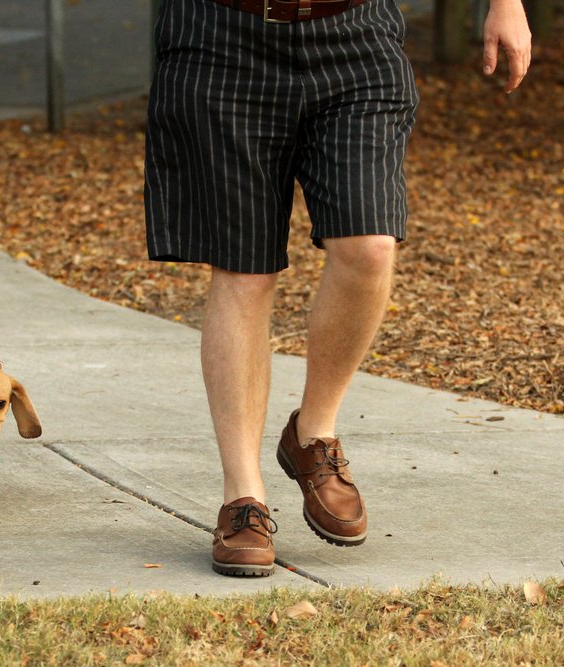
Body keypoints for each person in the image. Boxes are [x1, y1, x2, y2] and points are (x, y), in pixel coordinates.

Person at [144, 0, 531, 577]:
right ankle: (243, 497)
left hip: (355, 34)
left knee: (370, 247)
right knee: (243, 272)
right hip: (221, 36)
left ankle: (313, 434)